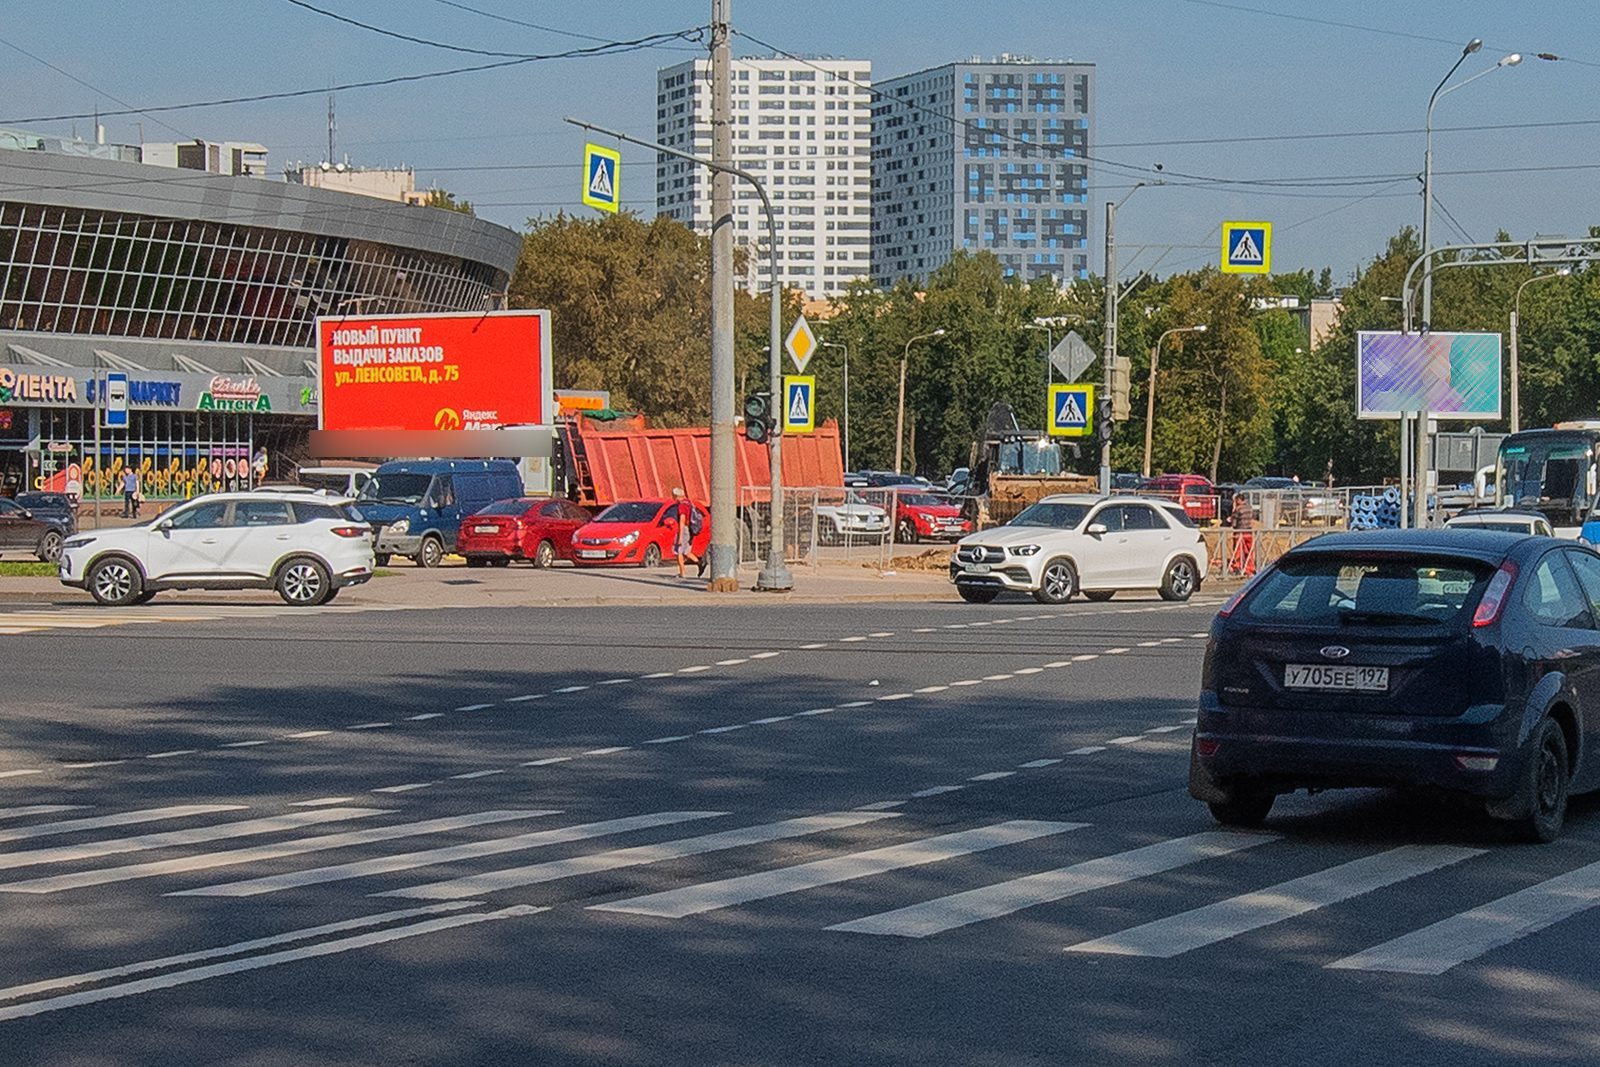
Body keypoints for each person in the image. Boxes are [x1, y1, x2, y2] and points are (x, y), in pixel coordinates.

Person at [669, 486, 706, 579]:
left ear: (677, 496)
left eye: (673, 496)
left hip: (684, 529)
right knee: (686, 551)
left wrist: (680, 537)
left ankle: (682, 573)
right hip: (689, 529)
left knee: (679, 551)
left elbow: (682, 521)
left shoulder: (682, 506)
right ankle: (700, 563)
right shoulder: (689, 503)